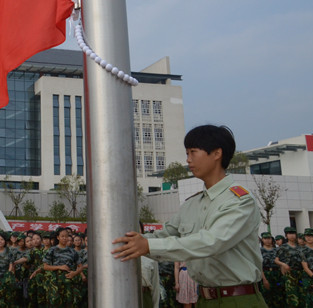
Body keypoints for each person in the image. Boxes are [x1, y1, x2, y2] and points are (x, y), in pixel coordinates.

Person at [112, 124, 266, 307]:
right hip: (202, 299)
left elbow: (211, 242)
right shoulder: (191, 204)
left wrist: (147, 245)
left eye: (193, 152)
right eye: (187, 154)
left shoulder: (239, 200)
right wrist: (131, 242)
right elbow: (166, 234)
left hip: (239, 300)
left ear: (217, 154)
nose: (188, 160)